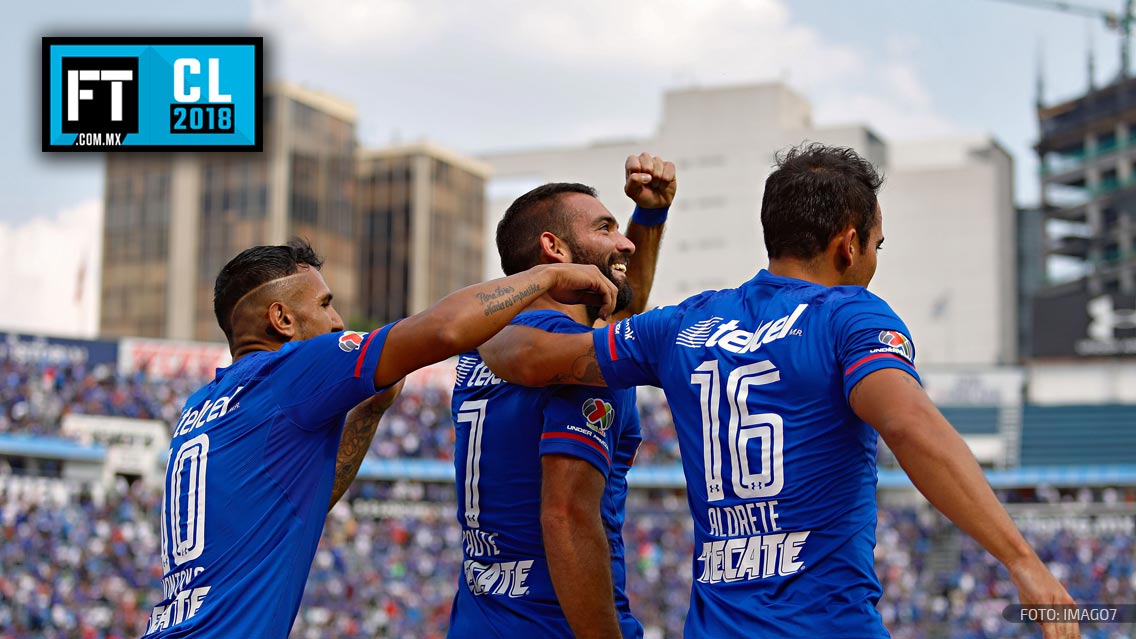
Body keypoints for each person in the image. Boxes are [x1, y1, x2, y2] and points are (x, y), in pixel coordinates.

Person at [479, 143, 1080, 639]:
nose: (873, 261)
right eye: (876, 245)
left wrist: (519, 299)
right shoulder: (851, 316)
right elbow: (909, 424)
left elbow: (524, 356)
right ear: (849, 244)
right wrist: (1025, 564)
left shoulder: (682, 325)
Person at [140, 239, 618, 638]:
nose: (337, 322)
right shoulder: (293, 368)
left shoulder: (203, 404)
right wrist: (548, 277)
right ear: (282, 320)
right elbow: (446, 329)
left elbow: (297, 503)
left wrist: (369, 414)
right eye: (325, 304)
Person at [447, 153, 676, 639]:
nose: (625, 243)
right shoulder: (584, 366)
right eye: (606, 228)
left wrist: (650, 216)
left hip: (480, 622)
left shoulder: (484, 348)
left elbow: (611, 327)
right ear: (554, 248)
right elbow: (566, 515)